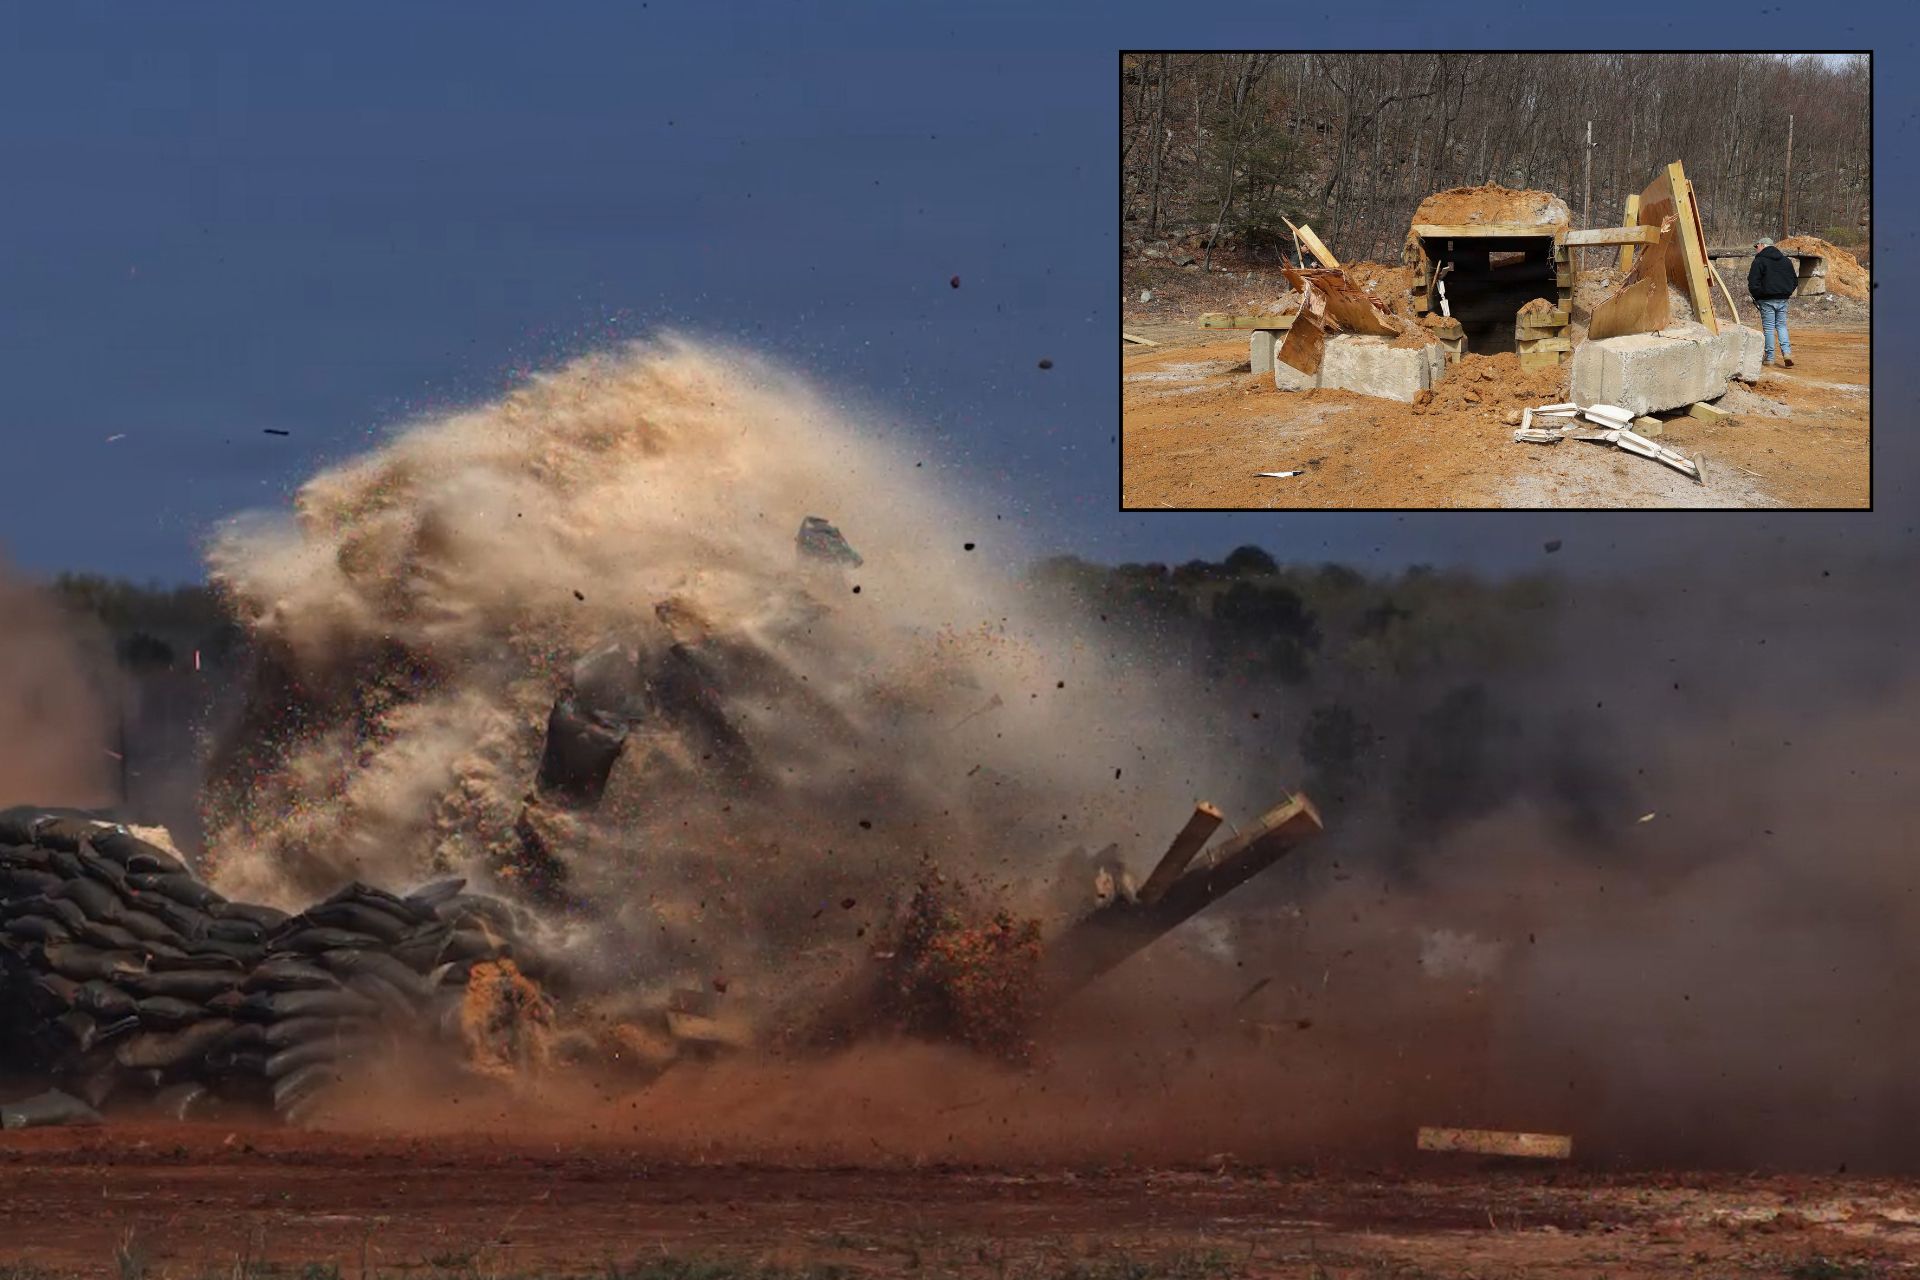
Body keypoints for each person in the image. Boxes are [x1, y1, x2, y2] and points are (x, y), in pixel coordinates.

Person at [1747, 238, 1798, 367]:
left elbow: (1753, 282)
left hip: (1766, 300)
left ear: (1763, 245)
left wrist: (1758, 296)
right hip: (1782, 299)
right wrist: (1786, 293)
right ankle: (1787, 353)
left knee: (1769, 328)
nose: (1756, 248)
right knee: (1781, 326)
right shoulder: (1786, 261)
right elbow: (1794, 280)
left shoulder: (1759, 261)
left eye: (1757, 246)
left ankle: (1769, 358)